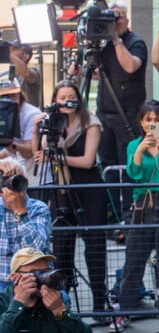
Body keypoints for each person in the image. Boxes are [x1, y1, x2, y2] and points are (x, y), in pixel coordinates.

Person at [31, 80, 109, 320]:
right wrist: (36, 131)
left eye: (70, 96)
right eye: (61, 96)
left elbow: (88, 161)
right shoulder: (51, 123)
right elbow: (38, 157)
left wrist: (57, 158)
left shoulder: (90, 122)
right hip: (61, 190)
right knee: (61, 247)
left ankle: (99, 305)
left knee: (94, 245)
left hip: (89, 190)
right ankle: (61, 308)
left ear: (79, 100)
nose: (65, 101)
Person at [110, 100, 159, 333]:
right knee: (134, 261)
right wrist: (141, 150)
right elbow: (134, 174)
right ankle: (124, 312)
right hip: (143, 205)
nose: (152, 123)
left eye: (156, 119)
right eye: (148, 119)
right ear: (141, 122)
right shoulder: (134, 144)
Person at [96, 0, 147, 213]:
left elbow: (130, 67)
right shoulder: (104, 45)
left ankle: (129, 212)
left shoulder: (135, 42)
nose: (114, 23)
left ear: (125, 19)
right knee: (107, 165)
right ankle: (112, 213)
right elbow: (94, 73)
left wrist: (116, 39)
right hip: (104, 114)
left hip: (127, 115)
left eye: (117, 18)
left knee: (127, 165)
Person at [0, 247, 92, 332]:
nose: (43, 277)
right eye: (35, 272)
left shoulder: (53, 300)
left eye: (46, 272)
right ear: (15, 278)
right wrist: (18, 303)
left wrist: (60, 311)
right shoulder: (2, 301)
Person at [0, 158, 51, 290]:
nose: (15, 184)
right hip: (1, 280)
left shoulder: (38, 208)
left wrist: (20, 210)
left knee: (63, 300)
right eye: (8, 179)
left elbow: (35, 250)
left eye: (18, 179)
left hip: (32, 279)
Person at [0, 76, 42, 186]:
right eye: (4, 96)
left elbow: (28, 151)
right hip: (15, 178)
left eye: (13, 95)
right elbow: (10, 149)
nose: (9, 99)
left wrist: (7, 142)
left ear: (20, 94)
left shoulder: (31, 114)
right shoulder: (3, 112)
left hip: (34, 178)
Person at [9, 39, 42, 108]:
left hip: (29, 117)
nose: (10, 51)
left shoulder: (35, 72)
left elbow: (28, 74)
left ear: (25, 56)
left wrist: (8, 54)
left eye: (14, 49)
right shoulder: (7, 75)